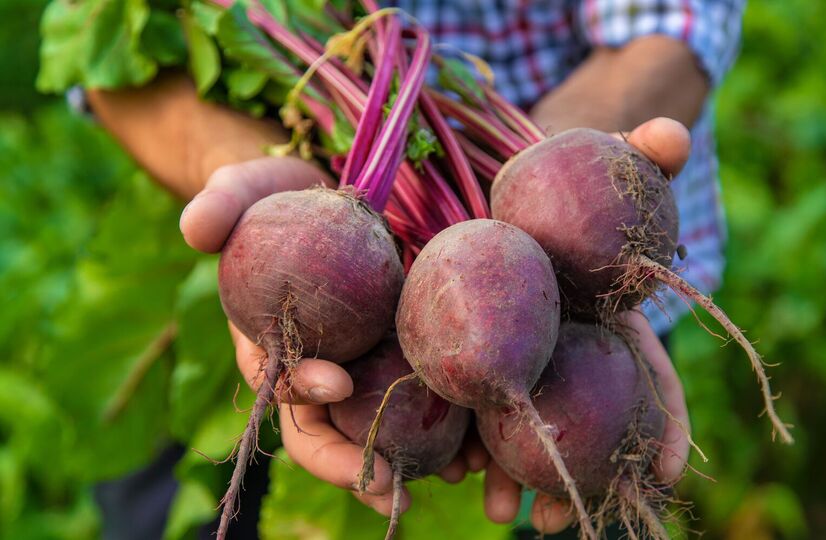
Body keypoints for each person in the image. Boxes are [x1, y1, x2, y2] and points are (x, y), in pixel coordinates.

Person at [86, 0, 745, 536]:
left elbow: (673, 24)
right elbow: (103, 69)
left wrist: (551, 185)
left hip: (591, 293)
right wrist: (223, 159)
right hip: (301, 248)